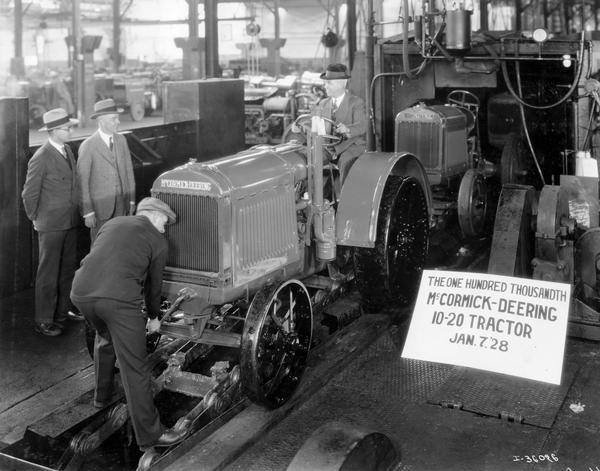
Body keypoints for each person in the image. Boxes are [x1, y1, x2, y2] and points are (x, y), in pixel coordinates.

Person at [70, 197, 186, 450]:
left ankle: (101, 397)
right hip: (118, 303)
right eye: (165, 222)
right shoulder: (157, 241)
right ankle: (151, 436)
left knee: (105, 337)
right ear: (154, 215)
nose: (165, 229)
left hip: (81, 294)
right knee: (135, 368)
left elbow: (97, 258)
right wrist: (154, 318)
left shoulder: (112, 223)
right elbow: (153, 288)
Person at [21, 108, 85, 337]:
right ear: (54, 131)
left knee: (67, 269)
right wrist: (37, 219)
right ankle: (44, 320)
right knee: (48, 273)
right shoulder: (41, 157)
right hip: (50, 225)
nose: (70, 130)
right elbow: (29, 194)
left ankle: (63, 312)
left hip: (69, 221)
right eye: (66, 128)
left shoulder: (67, 149)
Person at [294, 63, 367, 185]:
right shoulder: (323, 103)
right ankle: (312, 194)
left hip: (350, 145)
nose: (325, 86)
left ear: (342, 83)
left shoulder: (356, 103)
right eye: (325, 83)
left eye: (329, 83)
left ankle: (345, 198)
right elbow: (314, 123)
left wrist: (347, 129)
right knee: (309, 159)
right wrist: (300, 125)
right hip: (328, 147)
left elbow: (362, 126)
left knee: (346, 163)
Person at [77, 98, 136, 242]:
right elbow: (82, 183)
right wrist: (88, 212)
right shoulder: (88, 146)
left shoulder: (121, 140)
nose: (118, 122)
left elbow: (129, 173)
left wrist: (132, 201)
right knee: (100, 247)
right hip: (100, 210)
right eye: (114, 119)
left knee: (121, 243)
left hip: (122, 206)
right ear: (101, 121)